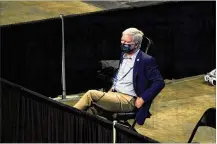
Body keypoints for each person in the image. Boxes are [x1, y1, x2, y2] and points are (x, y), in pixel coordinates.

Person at [73, 27, 165, 125]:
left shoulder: (146, 60)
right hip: (114, 94)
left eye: (127, 42)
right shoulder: (123, 55)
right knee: (91, 111)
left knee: (90, 94)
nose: (123, 44)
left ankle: (67, 116)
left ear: (137, 44)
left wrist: (143, 98)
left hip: (128, 99)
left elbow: (159, 82)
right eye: (122, 41)